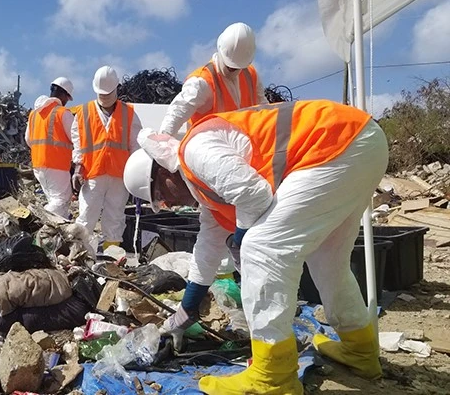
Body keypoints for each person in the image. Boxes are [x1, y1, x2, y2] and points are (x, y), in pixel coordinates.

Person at [123, 100, 388, 394]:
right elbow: (207, 249)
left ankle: (272, 377)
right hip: (357, 143)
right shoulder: (205, 191)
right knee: (328, 259)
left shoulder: (195, 151)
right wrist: (184, 313)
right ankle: (360, 350)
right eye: (158, 204)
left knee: (261, 247)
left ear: (163, 172)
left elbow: (255, 195)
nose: (166, 204)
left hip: (335, 143)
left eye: (159, 196)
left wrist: (240, 239)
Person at [71, 66, 142, 250]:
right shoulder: (84, 112)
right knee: (86, 215)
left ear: (117, 89)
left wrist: (136, 176)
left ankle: (112, 254)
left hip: (119, 174)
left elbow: (135, 145)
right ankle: (80, 253)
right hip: (92, 172)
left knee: (115, 216)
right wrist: (78, 168)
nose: (105, 98)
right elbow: (78, 142)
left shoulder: (129, 113)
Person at [159, 22, 267, 137]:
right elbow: (177, 112)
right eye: (229, 66)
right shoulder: (202, 81)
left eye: (236, 68)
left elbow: (264, 109)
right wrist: (163, 141)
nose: (232, 70)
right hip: (207, 146)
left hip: (243, 143)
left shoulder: (251, 75)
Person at [25, 77, 76, 218]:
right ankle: (40, 220)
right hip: (56, 165)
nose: (66, 101)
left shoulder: (34, 114)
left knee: (54, 200)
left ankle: (56, 231)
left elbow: (28, 140)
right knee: (62, 199)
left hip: (38, 165)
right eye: (67, 98)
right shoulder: (63, 113)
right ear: (64, 94)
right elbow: (77, 139)